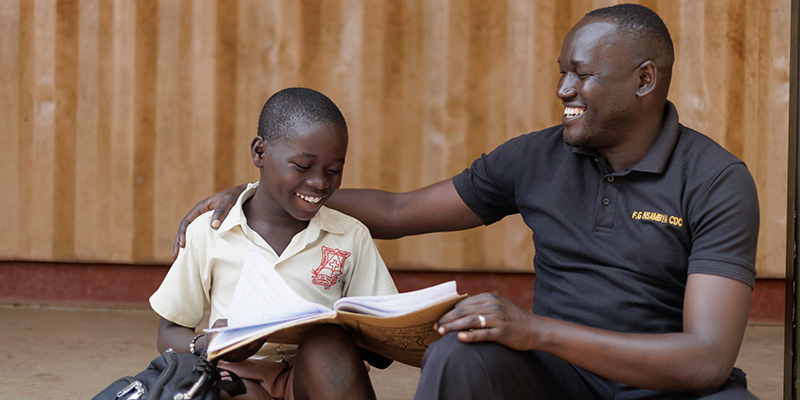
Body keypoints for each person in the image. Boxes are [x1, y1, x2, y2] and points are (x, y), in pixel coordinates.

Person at [173, 4, 759, 399]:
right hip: (556, 379)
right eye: (562, 73)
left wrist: (537, 331)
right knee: (460, 353)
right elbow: (402, 213)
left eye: (580, 75)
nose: (563, 90)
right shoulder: (537, 156)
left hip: (663, 382)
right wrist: (270, 198)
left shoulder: (715, 180)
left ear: (644, 79)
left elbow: (706, 358)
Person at [152, 87, 398, 400]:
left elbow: (384, 349)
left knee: (326, 345)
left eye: (334, 170)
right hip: (237, 377)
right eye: (302, 166)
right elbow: (168, 331)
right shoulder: (210, 231)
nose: (321, 182)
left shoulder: (350, 236)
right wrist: (211, 344)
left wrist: (347, 336)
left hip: (313, 381)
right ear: (259, 153)